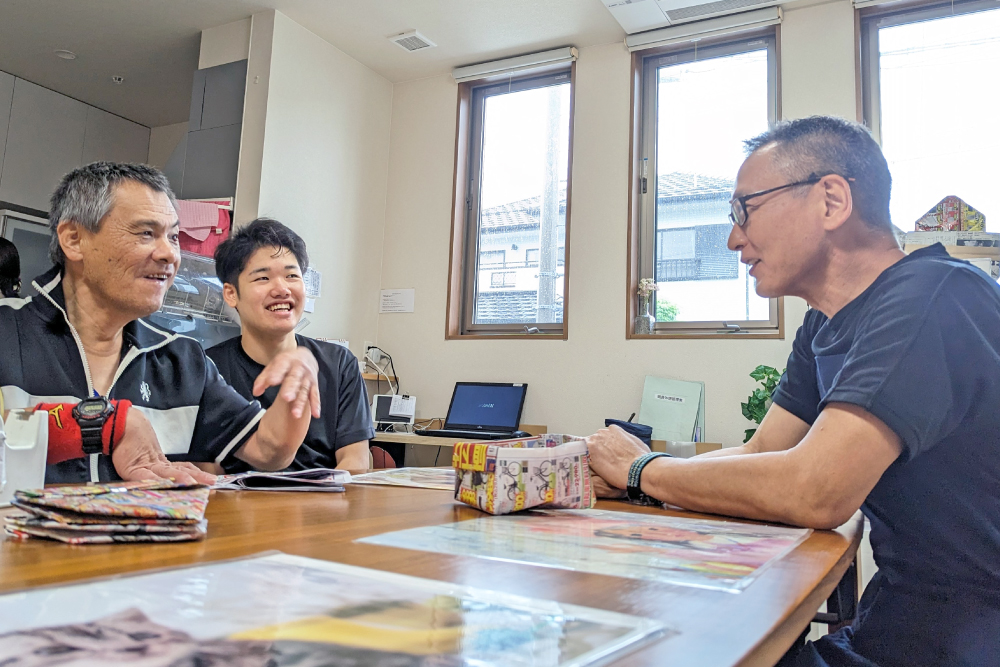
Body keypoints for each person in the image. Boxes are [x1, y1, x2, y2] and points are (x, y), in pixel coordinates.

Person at [586, 116, 1000, 666]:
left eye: (744, 210)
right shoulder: (823, 324)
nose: (734, 237)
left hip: (970, 630)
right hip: (901, 619)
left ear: (831, 200)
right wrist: (637, 480)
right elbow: (765, 453)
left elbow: (814, 490)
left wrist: (643, 470)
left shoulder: (932, 295)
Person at [0, 162, 322, 484]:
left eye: (174, 237)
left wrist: (300, 379)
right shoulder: (5, 329)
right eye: (146, 233)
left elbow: (270, 450)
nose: (170, 254)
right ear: (74, 239)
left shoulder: (181, 358)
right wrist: (108, 424)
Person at [207, 218, 374, 472]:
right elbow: (208, 469)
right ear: (231, 294)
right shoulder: (207, 368)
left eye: (292, 275)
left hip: (320, 506)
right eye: (263, 278)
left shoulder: (338, 363)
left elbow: (356, 462)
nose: (282, 289)